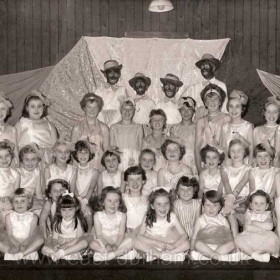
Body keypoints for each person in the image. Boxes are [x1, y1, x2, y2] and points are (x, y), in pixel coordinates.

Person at [134, 188, 190, 262]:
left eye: (166, 203)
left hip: (168, 244)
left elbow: (184, 235)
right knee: (136, 243)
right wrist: (157, 243)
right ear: (152, 206)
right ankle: (162, 255)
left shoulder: (172, 216)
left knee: (187, 243)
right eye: (159, 204)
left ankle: (168, 254)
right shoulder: (148, 217)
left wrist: (174, 245)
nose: (163, 207)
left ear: (170, 205)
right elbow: (139, 236)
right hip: (152, 244)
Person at [89, 186, 135, 261]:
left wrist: (116, 245)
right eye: (109, 201)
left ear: (120, 203)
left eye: (116, 201)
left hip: (118, 240)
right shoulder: (97, 215)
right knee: (92, 244)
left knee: (131, 240)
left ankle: (110, 254)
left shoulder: (122, 216)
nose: (113, 204)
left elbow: (121, 234)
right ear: (103, 202)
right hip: (103, 241)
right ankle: (117, 254)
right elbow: (99, 235)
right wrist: (106, 245)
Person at [15, 90, 57, 168]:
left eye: (39, 106)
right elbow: (15, 146)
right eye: (32, 106)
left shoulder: (49, 125)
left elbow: (55, 148)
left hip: (46, 164)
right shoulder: (22, 123)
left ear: (43, 108)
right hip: (27, 164)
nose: (36, 109)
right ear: (27, 108)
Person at [41, 192, 88, 261]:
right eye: (63, 210)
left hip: (73, 244)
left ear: (76, 208)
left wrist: (68, 245)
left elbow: (78, 239)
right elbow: (54, 238)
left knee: (84, 243)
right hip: (60, 243)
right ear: (59, 210)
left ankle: (63, 254)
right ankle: (62, 255)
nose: (67, 213)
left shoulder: (78, 221)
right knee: (44, 249)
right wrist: (55, 245)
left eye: (70, 209)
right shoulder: (57, 222)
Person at [235, 190, 279, 262]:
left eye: (262, 203)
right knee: (237, 239)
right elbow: (247, 228)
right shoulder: (249, 214)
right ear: (250, 205)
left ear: (267, 206)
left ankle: (252, 254)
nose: (259, 206)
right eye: (255, 203)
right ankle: (255, 255)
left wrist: (255, 223)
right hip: (249, 238)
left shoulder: (267, 214)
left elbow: (269, 226)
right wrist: (263, 229)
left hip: (263, 240)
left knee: (272, 239)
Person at [180, 53, 228, 120]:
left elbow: (224, 108)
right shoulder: (195, 87)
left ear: (213, 68)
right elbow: (186, 104)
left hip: (216, 120)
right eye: (202, 67)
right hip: (198, 121)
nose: (204, 69)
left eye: (206, 66)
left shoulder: (221, 85)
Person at [195, 84, 230, 173]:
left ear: (220, 102)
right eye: (209, 99)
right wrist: (199, 169)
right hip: (207, 162)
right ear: (205, 103)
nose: (212, 102)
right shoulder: (201, 121)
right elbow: (197, 147)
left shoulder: (227, 118)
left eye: (215, 99)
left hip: (224, 160)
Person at [192, 190, 236, 260]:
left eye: (215, 205)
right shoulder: (200, 220)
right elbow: (194, 237)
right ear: (203, 206)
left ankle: (210, 257)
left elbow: (229, 236)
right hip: (206, 246)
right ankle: (218, 257)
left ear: (220, 207)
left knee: (232, 244)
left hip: (220, 247)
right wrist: (191, 250)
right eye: (208, 205)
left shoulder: (223, 220)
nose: (211, 208)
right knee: (197, 244)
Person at [1, 189, 44, 261]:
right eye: (16, 201)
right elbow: (10, 235)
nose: (19, 204)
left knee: (41, 240)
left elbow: (31, 235)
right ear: (12, 203)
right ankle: (13, 251)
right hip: (12, 242)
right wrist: (17, 245)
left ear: (28, 202)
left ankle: (23, 253)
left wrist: (24, 244)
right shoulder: (8, 216)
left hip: (28, 242)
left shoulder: (34, 216)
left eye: (22, 201)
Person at [71, 93, 110, 171]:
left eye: (95, 107)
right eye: (89, 107)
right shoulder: (77, 128)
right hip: (82, 167)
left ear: (99, 109)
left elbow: (106, 150)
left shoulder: (104, 128)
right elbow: (73, 151)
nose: (92, 110)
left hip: (99, 166)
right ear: (84, 108)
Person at [221, 139, 251, 224]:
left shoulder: (248, 168)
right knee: (226, 210)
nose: (235, 153)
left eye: (239, 150)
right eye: (232, 151)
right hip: (227, 196)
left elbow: (242, 183)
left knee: (236, 210)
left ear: (244, 152)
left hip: (242, 199)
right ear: (229, 152)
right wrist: (229, 197)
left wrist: (232, 197)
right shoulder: (225, 168)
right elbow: (226, 183)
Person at [220, 90, 254, 165]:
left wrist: (249, 166)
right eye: (231, 106)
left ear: (242, 109)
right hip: (229, 163)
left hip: (244, 163)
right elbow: (224, 149)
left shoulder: (248, 126)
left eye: (237, 106)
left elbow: (251, 150)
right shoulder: (225, 127)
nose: (234, 110)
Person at [72, 140, 99, 232]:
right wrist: (79, 199)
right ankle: (76, 231)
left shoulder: (95, 172)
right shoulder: (73, 170)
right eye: (80, 152)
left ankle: (89, 232)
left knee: (87, 211)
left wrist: (85, 201)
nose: (83, 155)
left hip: (89, 198)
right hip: (76, 197)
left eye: (86, 152)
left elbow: (91, 187)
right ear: (76, 154)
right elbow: (74, 187)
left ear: (90, 154)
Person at [110, 98, 143, 171]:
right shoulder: (114, 127)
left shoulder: (138, 127)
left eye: (130, 109)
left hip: (134, 159)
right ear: (120, 110)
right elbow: (112, 148)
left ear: (134, 111)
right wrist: (120, 158)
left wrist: (136, 159)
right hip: (120, 159)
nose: (127, 112)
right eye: (124, 109)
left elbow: (140, 147)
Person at [95, 60, 128, 127]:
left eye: (115, 73)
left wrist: (113, 123)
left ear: (119, 74)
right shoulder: (98, 91)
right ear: (105, 74)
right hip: (101, 123)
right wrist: (103, 124)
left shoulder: (122, 90)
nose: (113, 76)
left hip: (117, 123)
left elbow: (123, 108)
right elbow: (96, 108)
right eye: (110, 73)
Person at [170, 97, 197, 174]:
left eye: (189, 109)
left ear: (193, 111)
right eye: (183, 109)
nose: (186, 112)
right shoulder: (174, 128)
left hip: (193, 161)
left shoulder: (197, 128)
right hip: (178, 162)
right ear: (179, 111)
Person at [123, 166, 148, 235]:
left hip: (143, 233)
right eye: (131, 179)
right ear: (126, 182)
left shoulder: (147, 199)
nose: (135, 182)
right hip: (126, 233)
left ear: (143, 181)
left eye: (138, 179)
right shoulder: (122, 199)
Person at [17, 144, 44, 211]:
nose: (30, 163)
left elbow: (38, 192)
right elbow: (16, 192)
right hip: (20, 199)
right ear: (21, 161)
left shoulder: (37, 171)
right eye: (27, 160)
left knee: (43, 209)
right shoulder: (18, 172)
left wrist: (42, 203)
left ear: (38, 160)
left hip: (31, 199)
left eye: (33, 159)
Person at [0, 141, 20, 225]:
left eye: (7, 155)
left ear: (11, 156)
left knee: (11, 222)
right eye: (0, 157)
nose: (4, 159)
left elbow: (16, 194)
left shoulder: (16, 174)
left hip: (9, 204)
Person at [0, 92, 18, 166]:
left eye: (3, 109)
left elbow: (15, 152)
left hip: (7, 168)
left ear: (7, 111)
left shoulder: (12, 129)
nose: (0, 112)